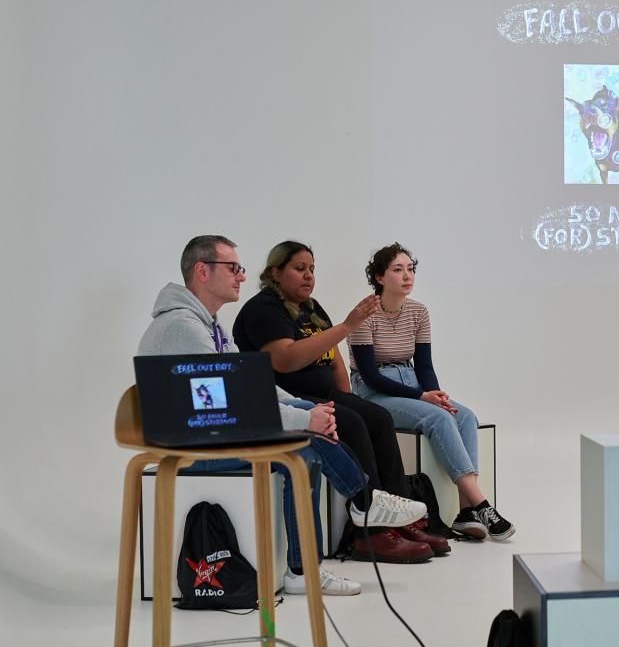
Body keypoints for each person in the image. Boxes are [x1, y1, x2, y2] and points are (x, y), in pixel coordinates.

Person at [138, 235, 429, 595]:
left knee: (306, 448)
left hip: (211, 432)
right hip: (192, 447)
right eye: (233, 267)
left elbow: (252, 385)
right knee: (306, 441)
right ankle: (364, 503)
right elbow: (236, 403)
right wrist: (304, 421)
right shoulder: (184, 328)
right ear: (202, 271)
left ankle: (305, 568)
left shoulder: (209, 326)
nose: (242, 275)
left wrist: (305, 410)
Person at [233, 240, 449, 562]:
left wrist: (346, 395)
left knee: (378, 417)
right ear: (275, 273)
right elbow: (285, 360)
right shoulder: (265, 309)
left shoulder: (311, 307)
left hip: (324, 394)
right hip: (290, 400)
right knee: (353, 423)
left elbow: (333, 357)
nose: (309, 276)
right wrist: (347, 326)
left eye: (312, 269)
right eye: (299, 268)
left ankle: (401, 522)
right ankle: (371, 534)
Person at [348, 243, 516, 541]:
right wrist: (422, 398)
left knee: (464, 416)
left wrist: (435, 394)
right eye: (397, 270)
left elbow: (424, 366)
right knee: (437, 418)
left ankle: (465, 512)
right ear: (379, 277)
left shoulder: (419, 312)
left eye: (410, 269)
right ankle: (482, 505)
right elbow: (371, 377)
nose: (407, 276)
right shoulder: (365, 314)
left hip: (411, 382)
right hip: (374, 392)